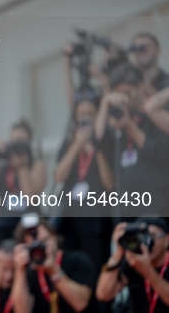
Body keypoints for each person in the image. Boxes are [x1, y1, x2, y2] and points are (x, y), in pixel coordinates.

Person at [94, 63, 169, 217]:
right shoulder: (120, 116)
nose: (125, 99)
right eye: (119, 94)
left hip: (158, 210)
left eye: (127, 92)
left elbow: (161, 153)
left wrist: (130, 126)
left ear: (140, 88)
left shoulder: (157, 113)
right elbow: (98, 141)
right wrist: (105, 103)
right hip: (126, 211)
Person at [54, 91, 114, 269]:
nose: (85, 119)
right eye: (82, 114)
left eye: (90, 114)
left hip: (97, 220)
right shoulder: (70, 143)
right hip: (71, 219)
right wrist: (77, 145)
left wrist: (96, 146)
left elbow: (109, 182)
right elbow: (58, 175)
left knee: (95, 267)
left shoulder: (107, 141)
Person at [11, 216, 99, 313]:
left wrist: (53, 270)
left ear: (55, 236)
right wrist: (19, 270)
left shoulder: (77, 260)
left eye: (44, 241)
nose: (42, 248)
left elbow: (80, 304)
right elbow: (22, 311)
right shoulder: (31, 271)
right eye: (35, 245)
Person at [0, 119, 47, 242]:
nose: (17, 144)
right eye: (14, 140)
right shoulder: (2, 163)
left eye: (21, 140)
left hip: (29, 222)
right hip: (5, 222)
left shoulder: (36, 164)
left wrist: (22, 166)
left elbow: (30, 196)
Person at [96, 217, 169, 312]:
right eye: (143, 236)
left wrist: (148, 271)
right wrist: (117, 254)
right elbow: (103, 294)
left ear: (167, 239)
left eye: (152, 236)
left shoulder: (139, 264)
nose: (148, 242)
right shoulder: (134, 261)